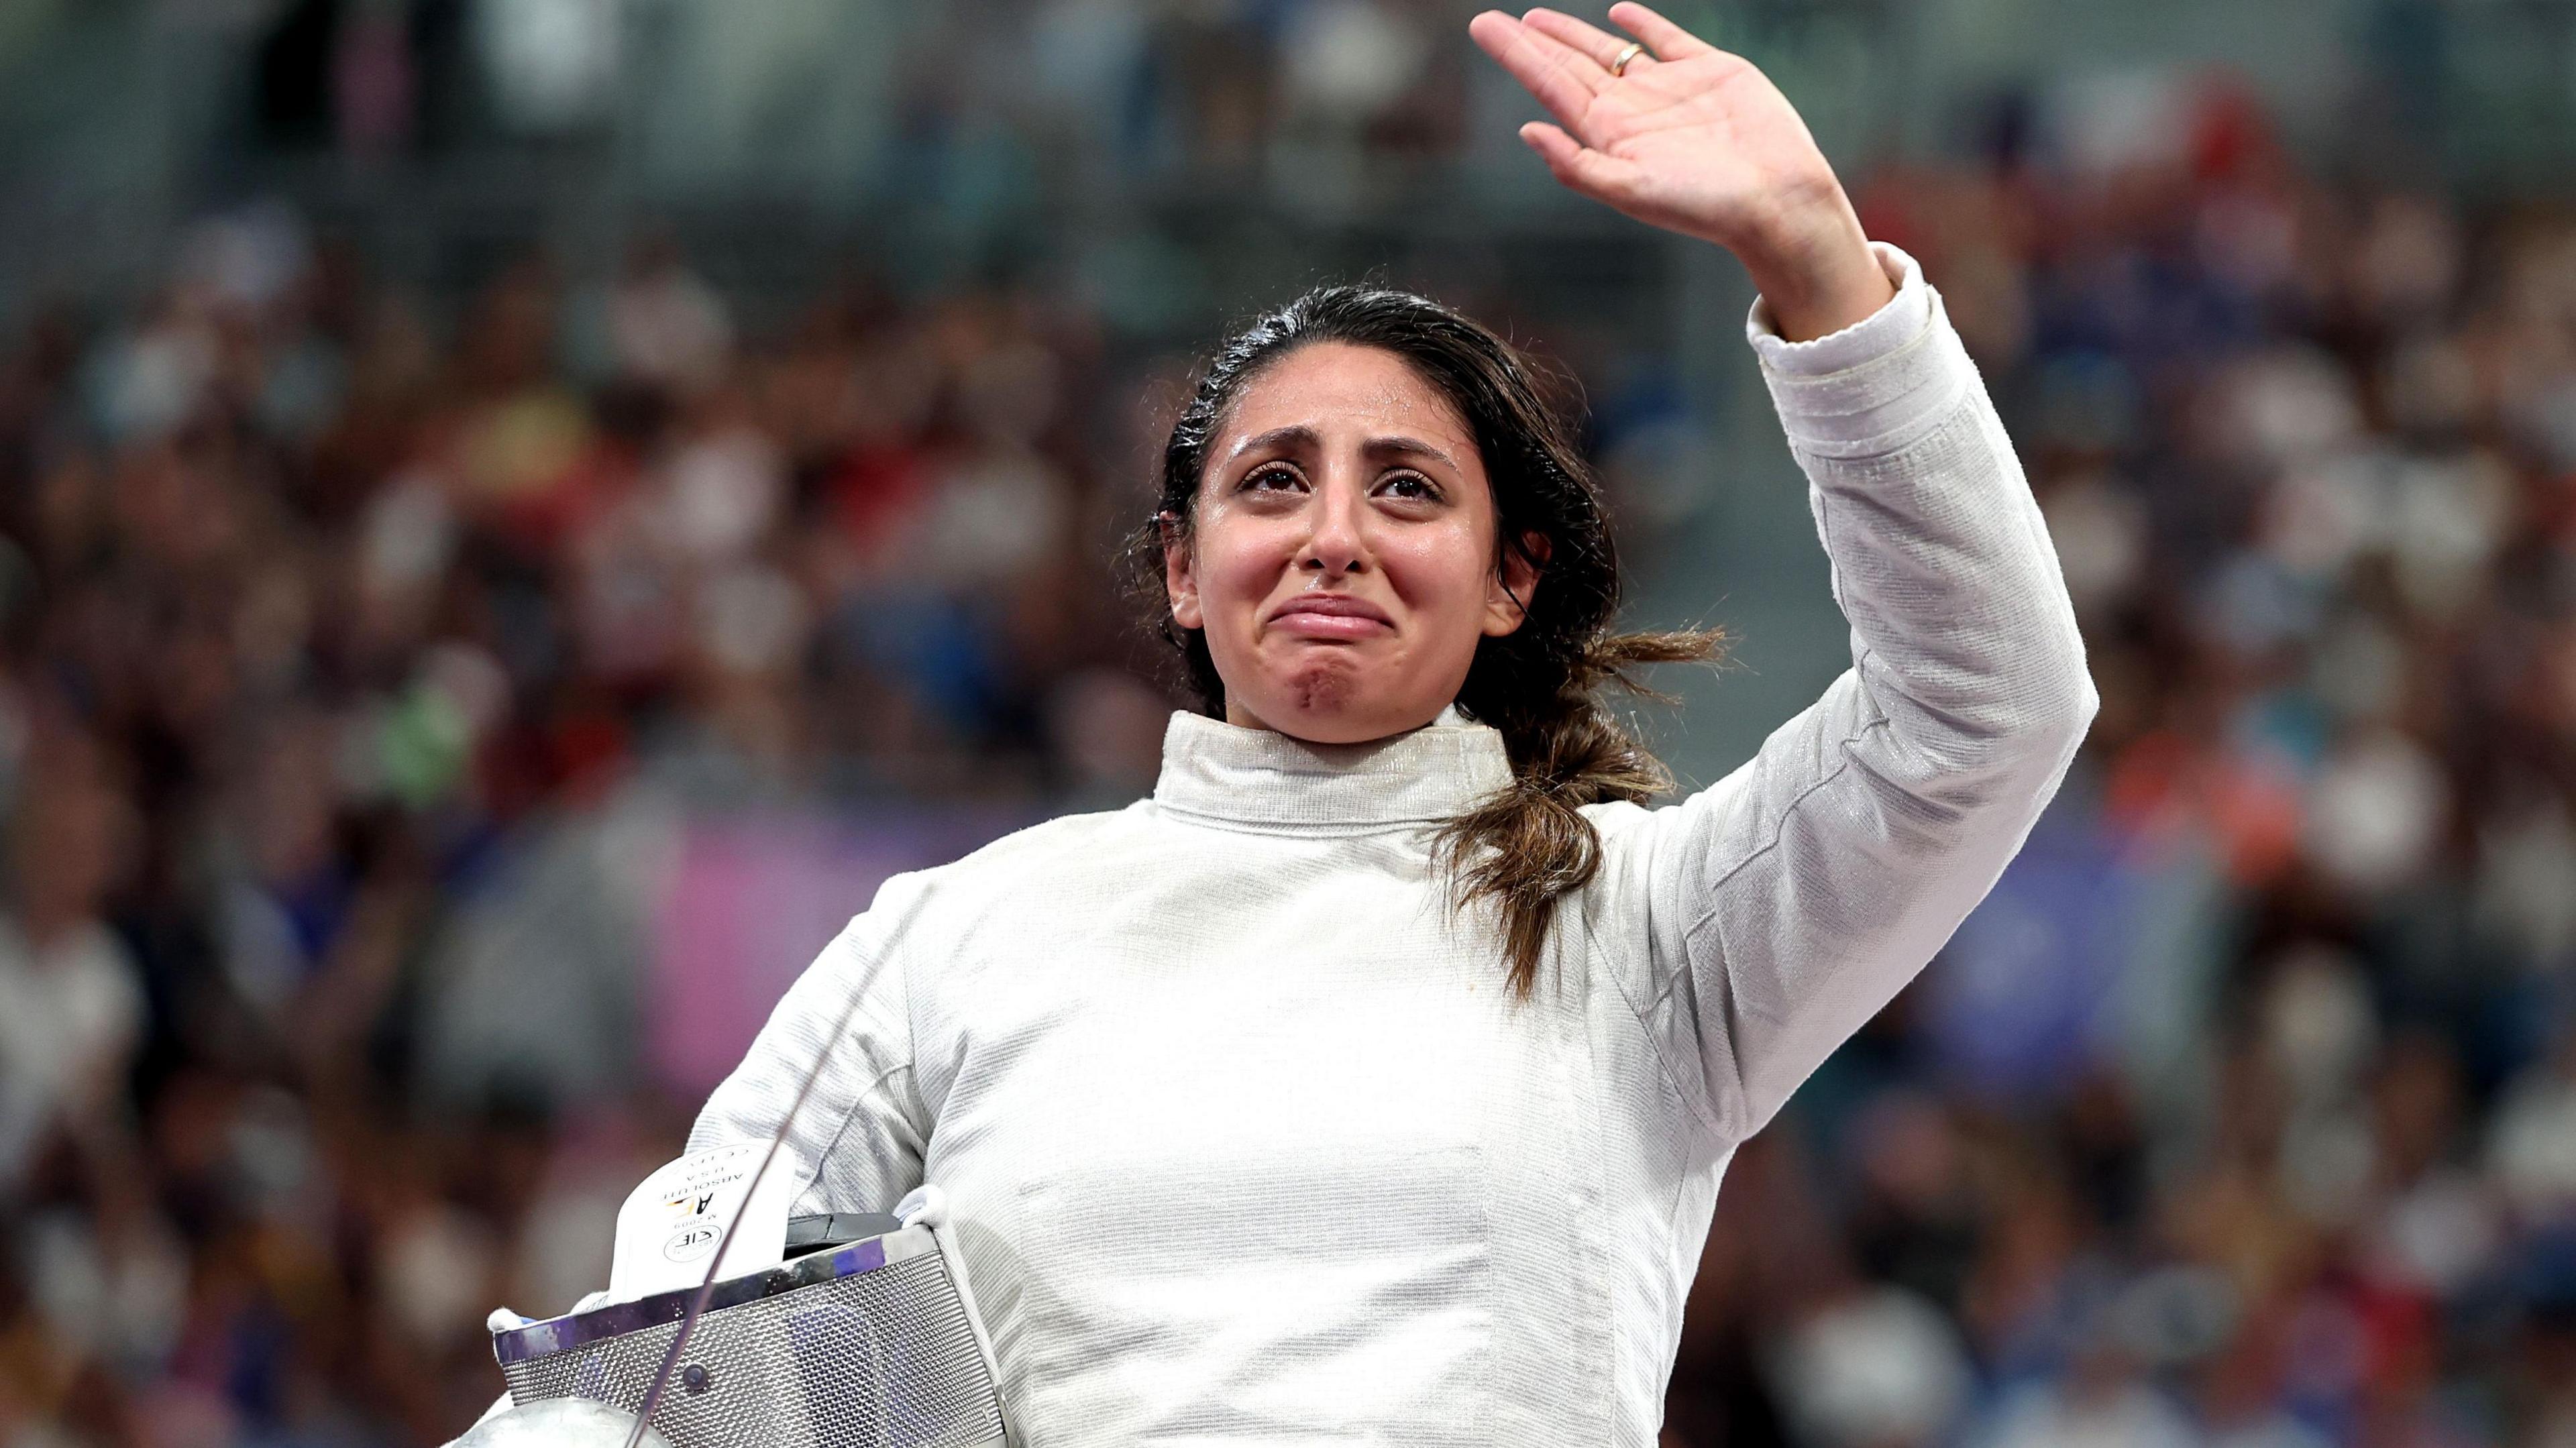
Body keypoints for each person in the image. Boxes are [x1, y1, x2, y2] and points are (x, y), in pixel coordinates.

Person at [684, 4, 2096, 1444]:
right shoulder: (954, 937)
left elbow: (1986, 708)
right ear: (1184, 566)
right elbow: (679, 1359)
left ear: (1507, 578)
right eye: (1274, 483)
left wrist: (1818, 261)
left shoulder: (1646, 927)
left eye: (1409, 489)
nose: (1334, 537)